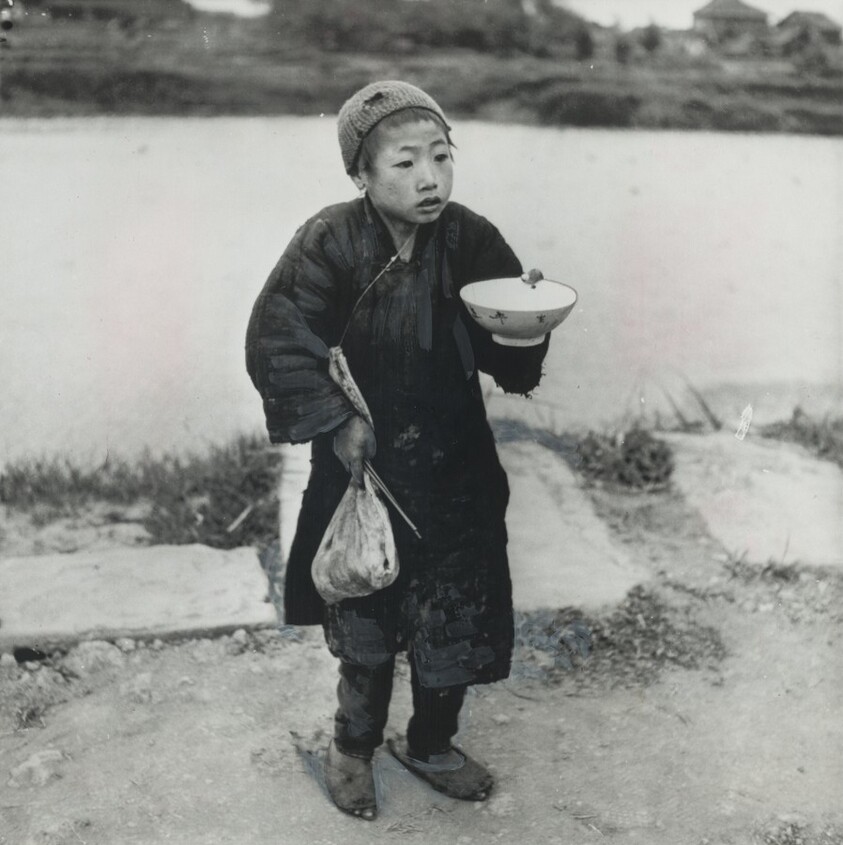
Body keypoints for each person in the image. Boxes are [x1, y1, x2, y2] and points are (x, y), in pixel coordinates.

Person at [245, 80, 550, 821]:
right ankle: (352, 746)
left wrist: (525, 328)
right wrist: (335, 422)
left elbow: (505, 355)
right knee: (366, 611)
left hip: (455, 465)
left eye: (441, 158)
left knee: (457, 611)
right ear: (360, 174)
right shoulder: (328, 239)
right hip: (364, 467)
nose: (429, 179)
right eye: (405, 163)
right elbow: (277, 339)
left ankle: (431, 739)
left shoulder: (471, 238)